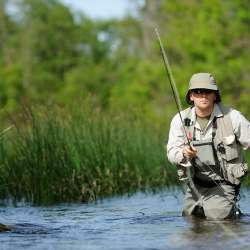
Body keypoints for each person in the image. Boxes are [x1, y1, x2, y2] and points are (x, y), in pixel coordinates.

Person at [167, 72, 250, 219]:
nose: (203, 96)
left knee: (218, 220)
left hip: (224, 185)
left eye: (208, 92)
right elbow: (171, 152)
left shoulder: (233, 117)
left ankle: (231, 210)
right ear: (191, 96)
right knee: (190, 219)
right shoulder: (179, 120)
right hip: (195, 185)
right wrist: (184, 154)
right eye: (198, 92)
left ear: (215, 95)